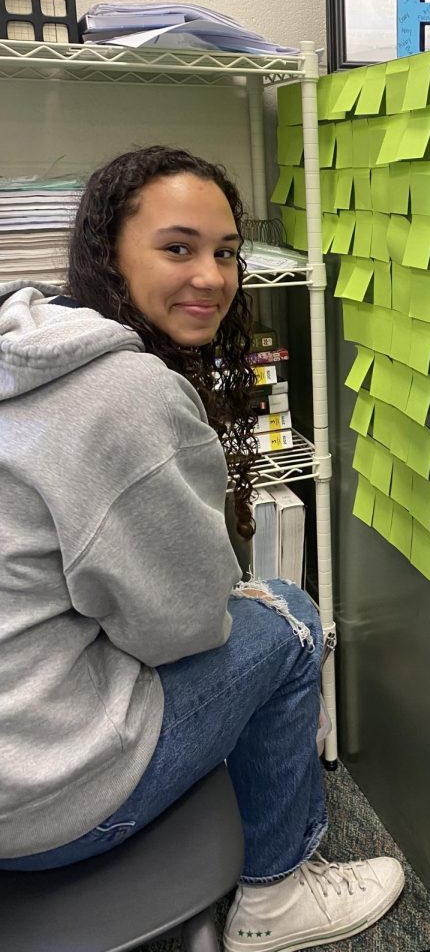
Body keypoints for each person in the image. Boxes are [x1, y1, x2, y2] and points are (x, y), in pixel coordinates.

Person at [0, 146, 404, 952]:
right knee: (287, 616)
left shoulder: (29, 342)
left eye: (226, 253)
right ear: (110, 251)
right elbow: (179, 630)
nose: (213, 279)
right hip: (41, 798)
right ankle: (277, 895)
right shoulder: (128, 393)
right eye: (177, 248)